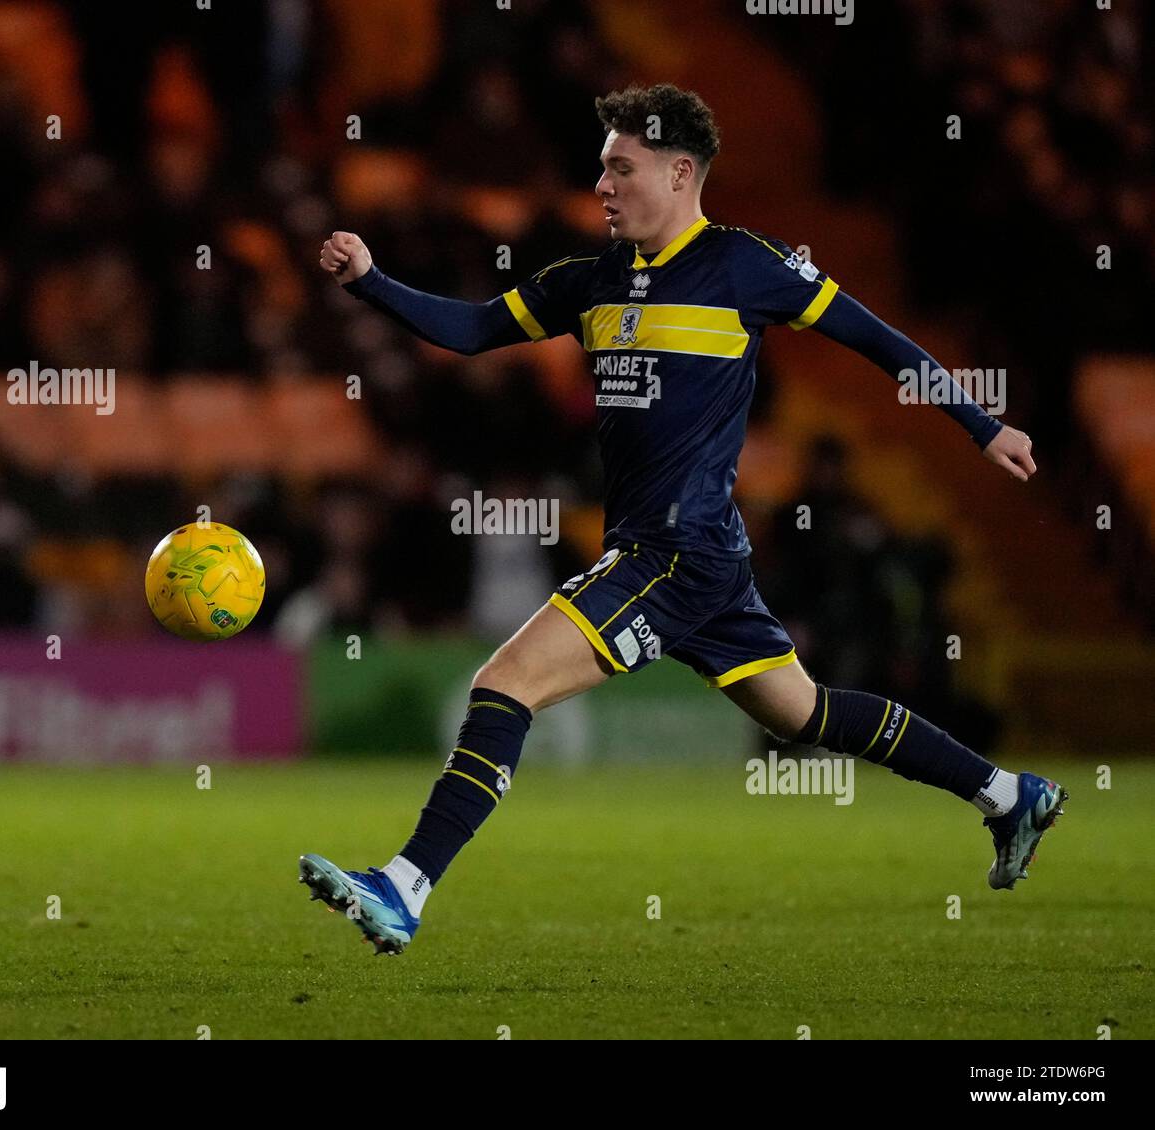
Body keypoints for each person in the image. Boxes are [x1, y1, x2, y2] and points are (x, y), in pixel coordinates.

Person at [301, 83, 1065, 955]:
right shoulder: (589, 280)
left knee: (503, 684)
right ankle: (1009, 796)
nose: (603, 187)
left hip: (674, 550)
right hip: (703, 559)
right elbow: (474, 329)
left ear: (679, 171)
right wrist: (371, 282)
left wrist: (983, 425)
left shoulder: (747, 266)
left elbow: (880, 341)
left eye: (621, 170)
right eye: (601, 171)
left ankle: (403, 886)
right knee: (803, 715)